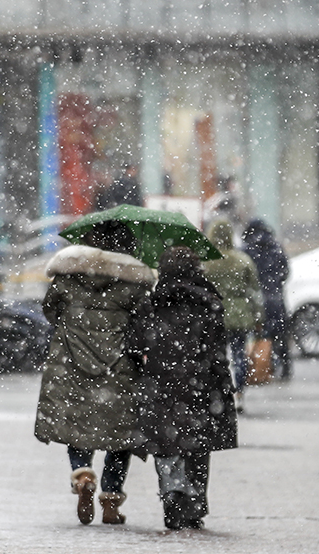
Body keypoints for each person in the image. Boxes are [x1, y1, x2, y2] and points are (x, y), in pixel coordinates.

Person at [34, 220, 155, 526]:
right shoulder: (135, 285)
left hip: (72, 364)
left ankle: (82, 473)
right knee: (120, 434)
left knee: (78, 422)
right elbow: (144, 323)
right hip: (120, 369)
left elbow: (50, 311)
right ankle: (111, 498)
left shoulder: (67, 279)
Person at [131, 246, 238, 530]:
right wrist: (224, 385)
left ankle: (171, 490)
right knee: (198, 442)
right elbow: (218, 353)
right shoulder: (209, 304)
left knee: (166, 443)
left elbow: (135, 346)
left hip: (161, 385)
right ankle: (195, 500)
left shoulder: (150, 304)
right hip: (200, 386)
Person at [202, 219, 264, 412]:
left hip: (214, 313)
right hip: (239, 312)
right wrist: (258, 317)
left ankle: (218, 394)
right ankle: (238, 394)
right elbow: (254, 292)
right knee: (239, 355)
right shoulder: (242, 260)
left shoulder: (206, 261)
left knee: (215, 356)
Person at [241, 219, 291, 380]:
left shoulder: (247, 249)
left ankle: (261, 368)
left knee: (259, 334)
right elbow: (286, 271)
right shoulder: (275, 246)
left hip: (256, 299)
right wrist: (275, 283)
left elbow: (244, 276)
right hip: (275, 297)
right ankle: (285, 368)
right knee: (280, 335)